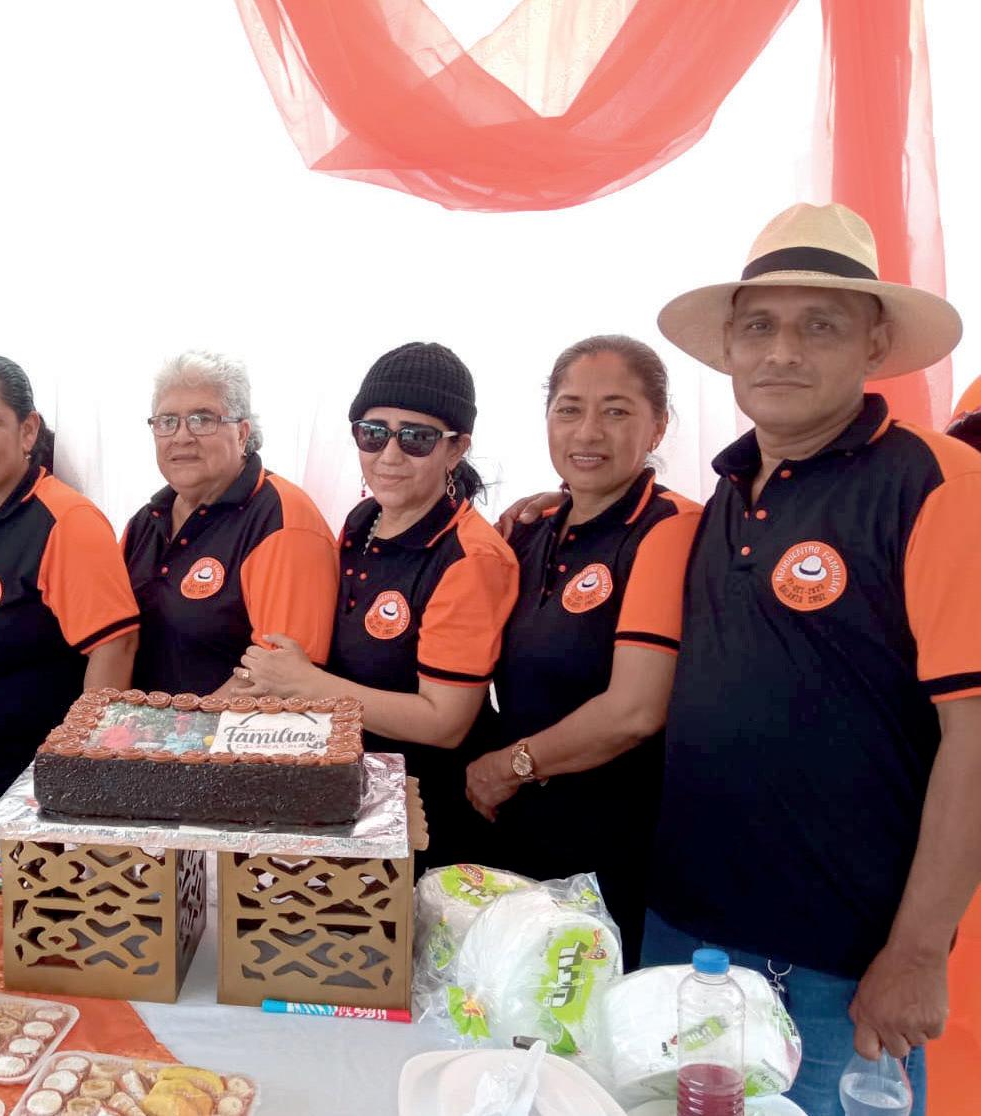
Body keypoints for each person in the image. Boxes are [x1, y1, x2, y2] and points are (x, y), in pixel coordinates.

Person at [645, 203, 981, 1115]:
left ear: (875, 343)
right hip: (687, 943)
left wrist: (918, 952)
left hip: (842, 970)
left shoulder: (939, 486)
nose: (782, 352)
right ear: (728, 347)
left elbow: (976, 736)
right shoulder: (723, 494)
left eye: (820, 326)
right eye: (759, 326)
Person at [464, 336, 700, 968]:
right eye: (569, 409)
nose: (588, 431)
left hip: (619, 846)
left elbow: (634, 712)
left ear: (659, 426)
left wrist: (508, 766)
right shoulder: (533, 529)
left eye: (616, 411)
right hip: (524, 835)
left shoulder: (670, 528)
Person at [238, 342, 517, 870]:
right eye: (373, 433)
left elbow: (445, 722)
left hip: (426, 816)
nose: (389, 455)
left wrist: (306, 682)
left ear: (456, 449)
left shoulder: (470, 557)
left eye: (416, 438)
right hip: (350, 795)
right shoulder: (362, 521)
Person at [0, 353, 139, 798]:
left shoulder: (66, 521)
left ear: (28, 430)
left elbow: (115, 648)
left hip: (26, 794)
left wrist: (81, 775)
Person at [123, 350, 337, 695]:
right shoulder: (145, 521)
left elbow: (276, 676)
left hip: (228, 727)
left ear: (242, 433)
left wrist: (187, 725)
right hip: (141, 725)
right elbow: (115, 635)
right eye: (167, 421)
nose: (181, 437)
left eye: (202, 419)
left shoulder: (283, 520)